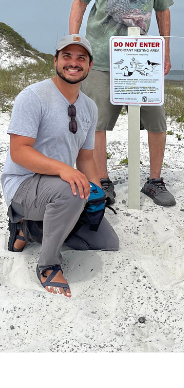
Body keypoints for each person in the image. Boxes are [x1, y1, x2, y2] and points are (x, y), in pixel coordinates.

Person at [70, 0, 176, 208]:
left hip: (142, 55)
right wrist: (76, 42)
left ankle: (154, 180)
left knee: (156, 121)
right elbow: (80, 1)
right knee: (98, 123)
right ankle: (102, 180)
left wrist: (166, 49)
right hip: (101, 55)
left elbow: (163, 8)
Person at [3, 35, 119, 297]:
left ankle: (29, 229)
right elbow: (19, 152)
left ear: (89, 66)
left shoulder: (89, 106)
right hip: (24, 183)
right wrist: (64, 170)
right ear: (55, 61)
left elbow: (86, 157)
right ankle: (48, 264)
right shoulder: (33, 96)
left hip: (59, 185)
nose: (73, 63)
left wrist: (97, 193)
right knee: (71, 191)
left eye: (81, 58)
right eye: (67, 56)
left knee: (106, 242)